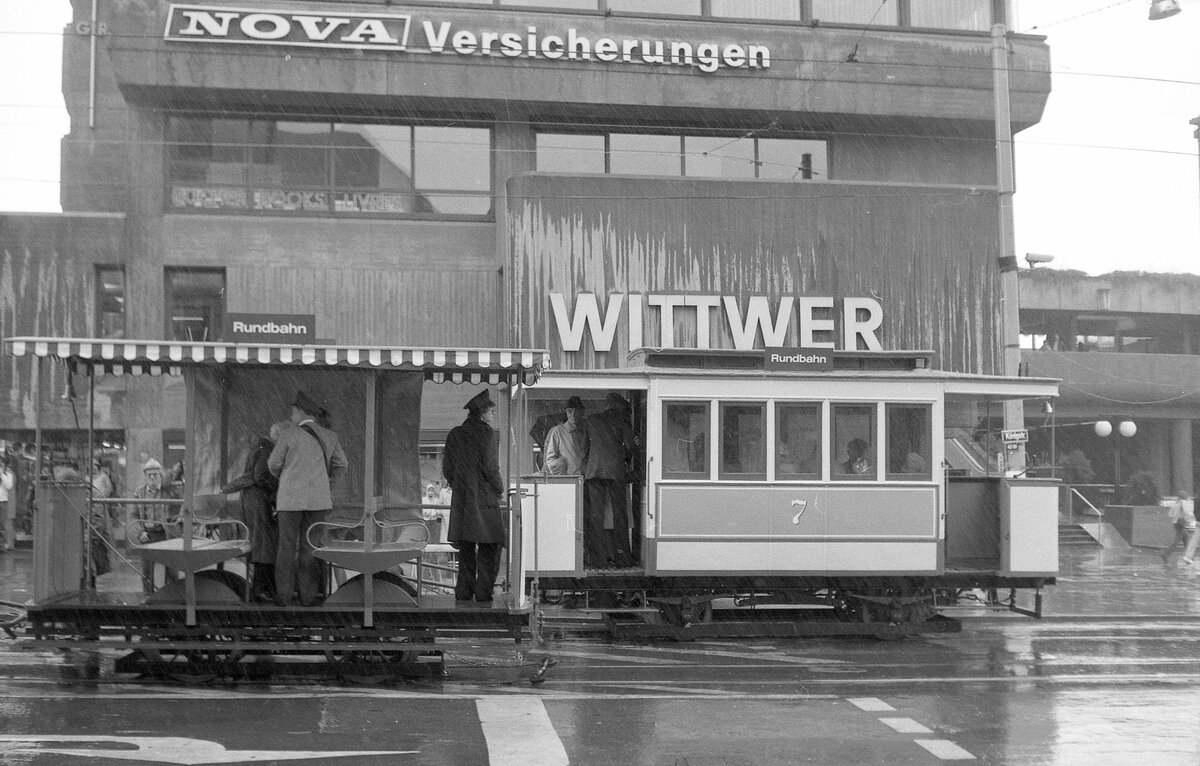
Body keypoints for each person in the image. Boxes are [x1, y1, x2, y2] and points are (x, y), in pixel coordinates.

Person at [269, 391, 348, 607]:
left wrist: (286, 478)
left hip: (289, 500)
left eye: (293, 412)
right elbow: (342, 464)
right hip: (318, 501)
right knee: (310, 547)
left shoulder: (288, 435)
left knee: (286, 546)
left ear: (302, 412)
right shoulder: (330, 436)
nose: (291, 416)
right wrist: (327, 482)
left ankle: (284, 596)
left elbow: (273, 464)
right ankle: (308, 596)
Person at [442, 390, 506, 605]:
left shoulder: (455, 434)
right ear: (481, 413)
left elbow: (447, 469)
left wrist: (459, 485)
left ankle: (464, 593)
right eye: (491, 411)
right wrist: (500, 489)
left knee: (466, 549)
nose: (493, 415)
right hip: (484, 499)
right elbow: (491, 467)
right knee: (491, 545)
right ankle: (483, 594)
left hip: (462, 501)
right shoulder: (487, 433)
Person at [582, 392, 636, 569]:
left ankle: (598, 560)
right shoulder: (621, 420)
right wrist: (626, 455)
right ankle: (623, 558)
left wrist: (585, 469)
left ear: (607, 404)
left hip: (594, 470)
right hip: (615, 471)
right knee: (620, 515)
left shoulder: (591, 420)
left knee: (596, 515)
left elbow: (585, 448)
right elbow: (630, 446)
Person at [242, 422, 285, 602]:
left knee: (263, 545)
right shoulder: (266, 450)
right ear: (279, 437)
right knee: (263, 545)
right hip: (259, 502)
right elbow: (260, 476)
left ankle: (262, 587)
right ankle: (262, 589)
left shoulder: (261, 447)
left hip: (255, 501)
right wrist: (277, 486)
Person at [132, 458, 181, 593]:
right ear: (145, 476)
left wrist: (171, 477)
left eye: (155, 474)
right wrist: (140, 532)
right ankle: (148, 597)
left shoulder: (168, 491)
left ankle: (173, 597)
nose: (152, 477)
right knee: (147, 572)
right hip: (148, 535)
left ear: (160, 475)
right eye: (149, 475)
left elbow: (180, 496)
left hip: (166, 534)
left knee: (172, 570)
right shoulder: (139, 493)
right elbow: (134, 515)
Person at [543, 396, 588, 475]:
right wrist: (562, 476)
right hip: (567, 478)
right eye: (570, 411)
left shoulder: (587, 430)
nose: (573, 414)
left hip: (586, 477)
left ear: (582, 412)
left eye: (576, 411)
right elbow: (550, 460)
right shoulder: (558, 431)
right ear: (566, 412)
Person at [1161, 490, 1197, 566]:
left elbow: (1170, 514)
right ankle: (1165, 555)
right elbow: (1186, 513)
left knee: (1187, 541)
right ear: (1183, 498)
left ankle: (1190, 558)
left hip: (1177, 524)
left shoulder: (1175, 504)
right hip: (1180, 524)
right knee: (1176, 542)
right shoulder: (1181, 504)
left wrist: (1175, 518)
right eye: (1186, 497)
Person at [0, 459, 14, 551]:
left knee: (2, 523)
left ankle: (1, 545)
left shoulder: (8, 475)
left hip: (3, 501)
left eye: (1, 465)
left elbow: (9, 486)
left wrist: (2, 475)